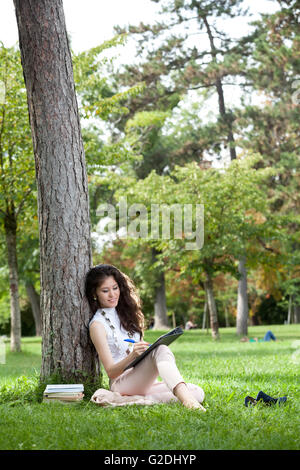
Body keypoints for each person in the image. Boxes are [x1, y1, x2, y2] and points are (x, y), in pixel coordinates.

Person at [85, 264, 206, 411]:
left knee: (197, 392)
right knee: (161, 349)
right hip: (120, 382)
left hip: (141, 378)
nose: (112, 295)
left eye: (115, 288)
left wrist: (145, 352)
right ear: (94, 294)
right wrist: (133, 356)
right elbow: (110, 372)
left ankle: (141, 399)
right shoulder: (97, 325)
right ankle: (189, 404)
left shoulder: (125, 314)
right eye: (105, 291)